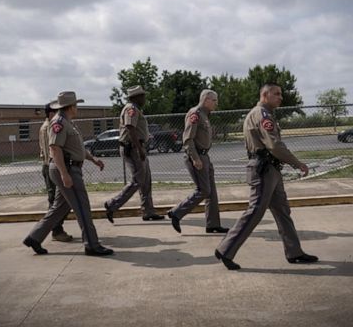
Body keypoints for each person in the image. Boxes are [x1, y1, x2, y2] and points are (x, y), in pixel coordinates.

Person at [215, 83, 318, 270]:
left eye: (281, 94)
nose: (281, 97)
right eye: (276, 94)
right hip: (264, 170)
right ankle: (225, 249)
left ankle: (294, 252)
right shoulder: (261, 114)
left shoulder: (266, 114)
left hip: (272, 169)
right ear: (264, 95)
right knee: (255, 211)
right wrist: (298, 163)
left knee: (283, 212)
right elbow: (274, 145)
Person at [23, 91, 113, 256]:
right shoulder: (59, 123)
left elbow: (76, 148)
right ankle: (92, 245)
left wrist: (93, 159)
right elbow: (54, 148)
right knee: (82, 207)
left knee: (58, 208)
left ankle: (34, 237)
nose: (77, 108)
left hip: (69, 167)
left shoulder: (68, 122)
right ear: (71, 106)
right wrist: (65, 175)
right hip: (67, 169)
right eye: (76, 105)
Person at [167, 89, 229, 234]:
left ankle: (213, 224)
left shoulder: (204, 115)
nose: (216, 103)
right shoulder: (195, 114)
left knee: (212, 192)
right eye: (214, 100)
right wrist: (195, 158)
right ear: (206, 99)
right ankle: (177, 213)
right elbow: (188, 139)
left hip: (205, 156)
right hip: (197, 157)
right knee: (204, 190)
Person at [104, 85, 164, 223]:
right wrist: (140, 148)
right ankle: (112, 204)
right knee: (138, 181)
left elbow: (136, 129)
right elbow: (130, 128)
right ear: (135, 97)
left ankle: (148, 211)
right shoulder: (131, 109)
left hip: (137, 147)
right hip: (132, 148)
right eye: (142, 96)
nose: (144, 98)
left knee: (146, 181)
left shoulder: (135, 109)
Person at [39, 102, 72, 242]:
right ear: (51, 114)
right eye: (57, 112)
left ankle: (56, 229)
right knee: (57, 202)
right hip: (52, 166)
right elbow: (55, 149)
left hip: (51, 166)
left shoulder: (47, 126)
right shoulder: (49, 127)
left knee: (61, 201)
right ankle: (56, 230)